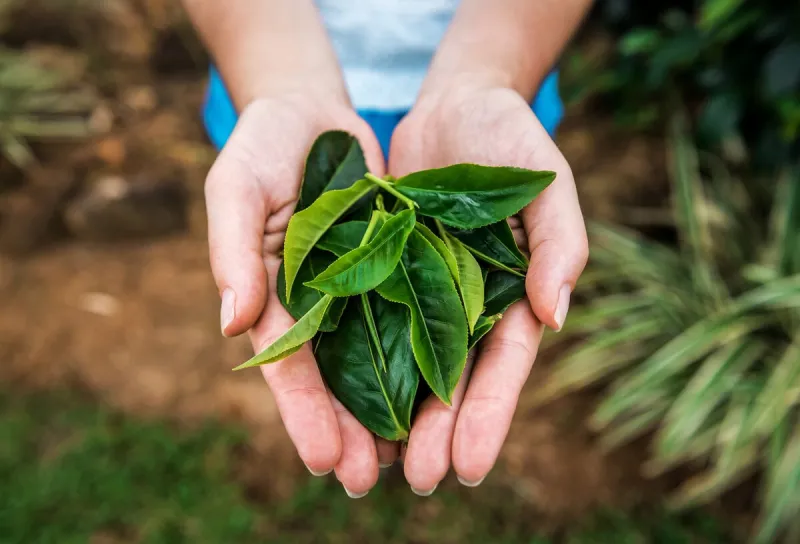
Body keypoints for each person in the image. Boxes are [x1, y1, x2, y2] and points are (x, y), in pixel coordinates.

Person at [183, 0, 591, 499]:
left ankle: (401, 427)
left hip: (498, 67)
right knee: (279, 225)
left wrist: (484, 78)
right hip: (269, 63)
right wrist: (281, 86)